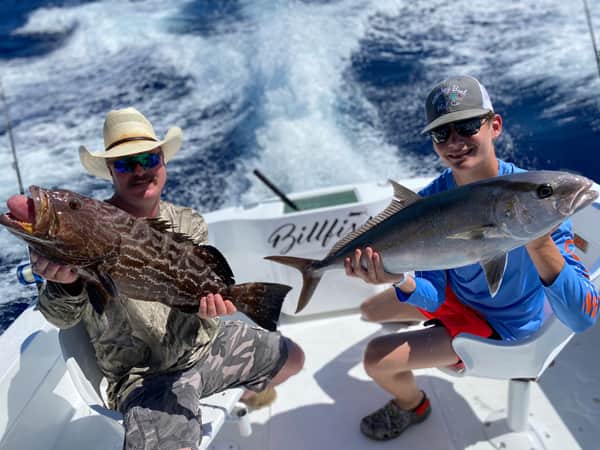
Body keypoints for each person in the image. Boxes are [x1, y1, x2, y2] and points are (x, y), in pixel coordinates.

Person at [33, 107, 305, 450]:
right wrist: (65, 283)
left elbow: (199, 283)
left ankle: (244, 399)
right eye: (124, 163)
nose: (139, 170)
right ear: (109, 172)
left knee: (292, 356)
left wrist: (206, 307)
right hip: (147, 378)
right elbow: (61, 317)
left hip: (206, 347)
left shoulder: (188, 221)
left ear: (163, 161)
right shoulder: (87, 229)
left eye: (149, 158)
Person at [344, 75, 599, 441]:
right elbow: (431, 293)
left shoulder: (538, 201)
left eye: (466, 127)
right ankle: (412, 317)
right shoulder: (435, 196)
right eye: (442, 134)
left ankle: (411, 405)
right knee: (371, 310)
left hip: (503, 325)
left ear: (494, 125)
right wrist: (399, 278)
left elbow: (583, 317)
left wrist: (538, 242)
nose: (455, 143)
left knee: (376, 359)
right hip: (459, 296)